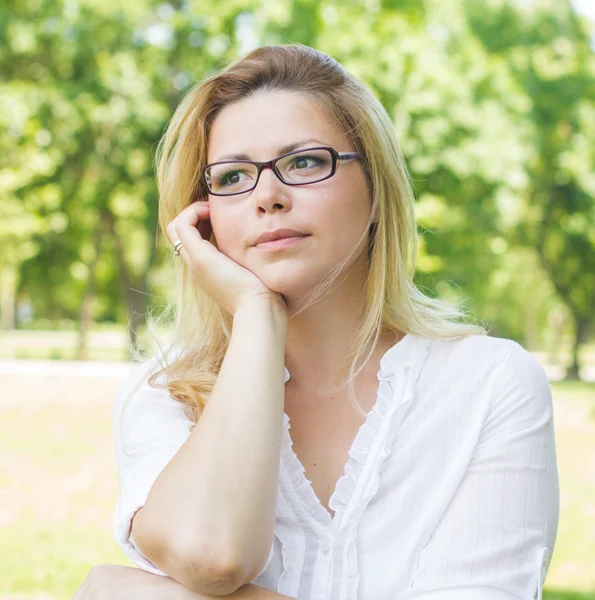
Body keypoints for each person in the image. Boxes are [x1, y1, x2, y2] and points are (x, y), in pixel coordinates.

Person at [73, 44, 559, 600]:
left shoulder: (491, 385)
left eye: (304, 162)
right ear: (202, 219)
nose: (268, 197)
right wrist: (256, 314)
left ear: (376, 189)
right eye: (232, 177)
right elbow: (212, 556)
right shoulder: (163, 395)